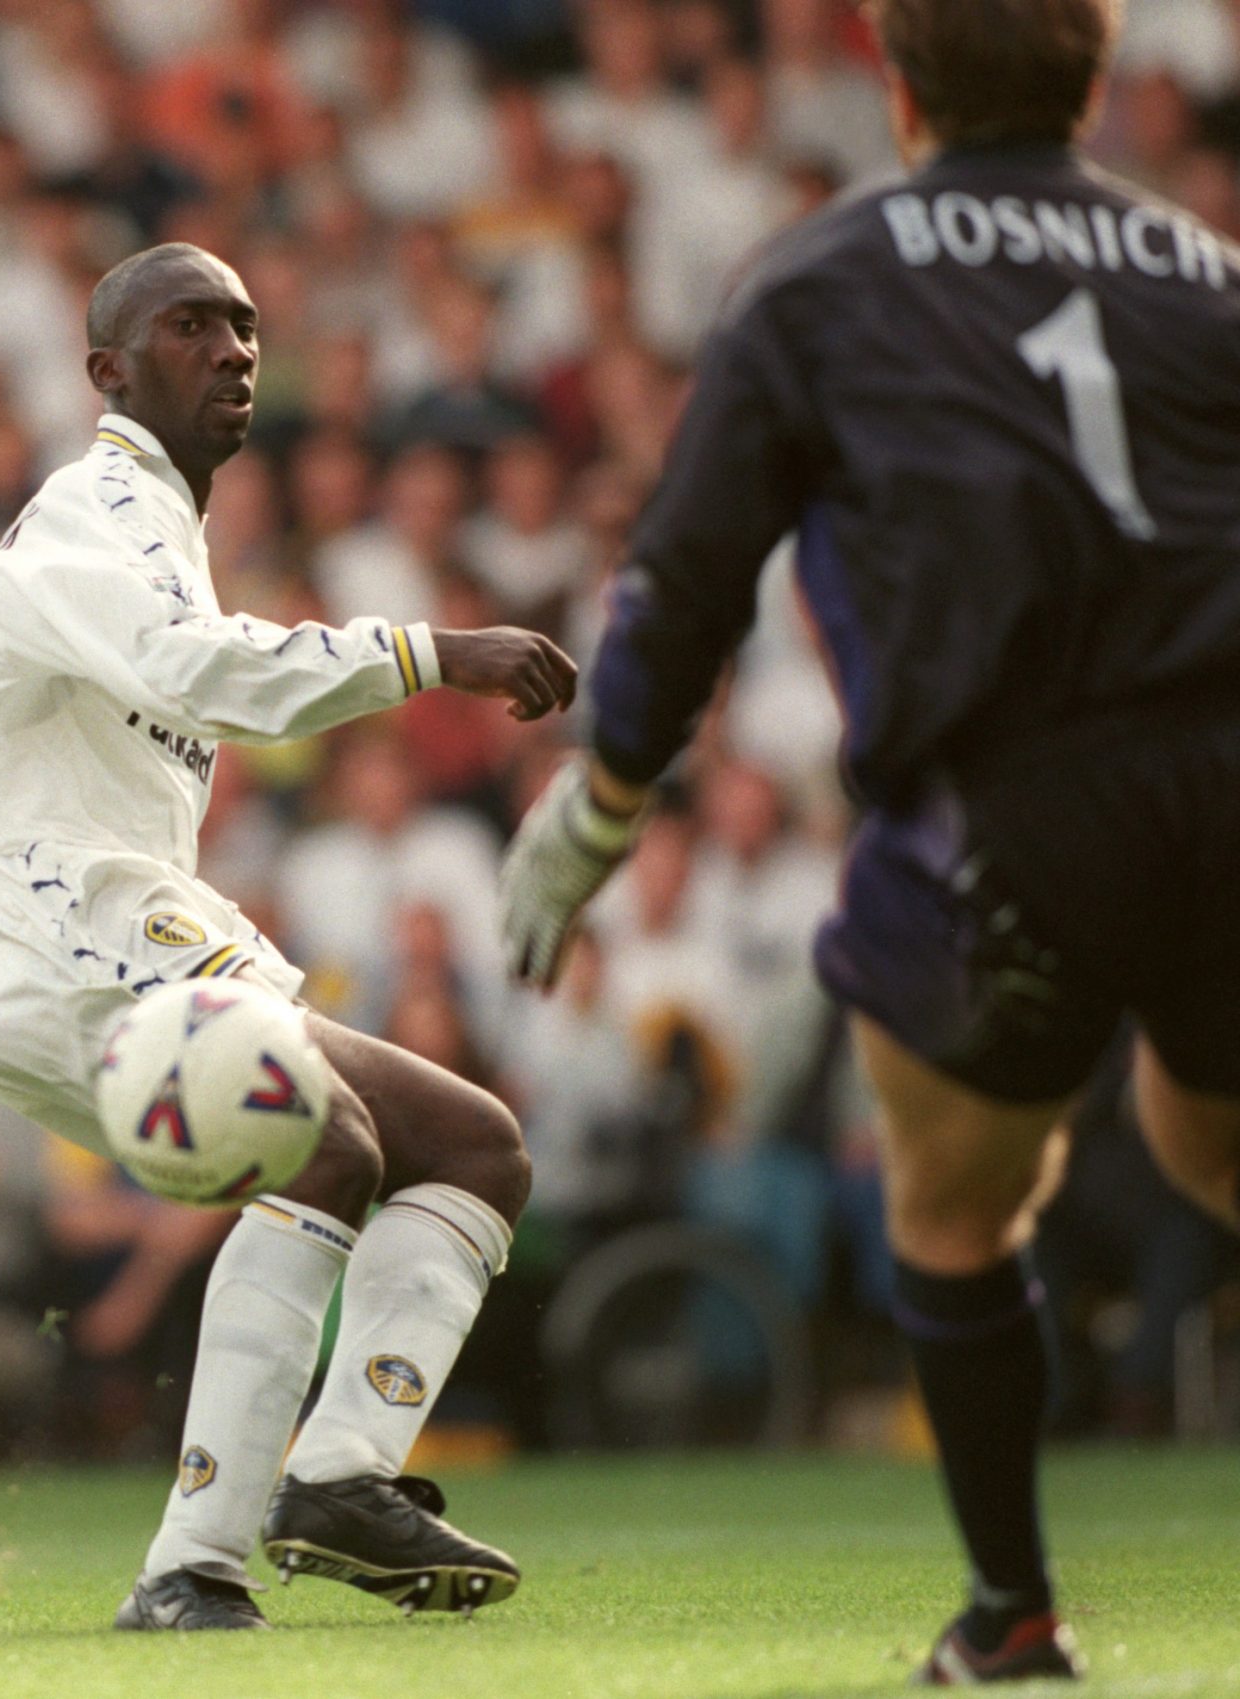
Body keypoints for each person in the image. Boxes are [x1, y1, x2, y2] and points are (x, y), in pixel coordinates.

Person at [498, 0, 1240, 1682]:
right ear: (1097, 84)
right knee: (1212, 1147)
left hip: (1014, 806)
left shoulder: (818, 280)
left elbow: (687, 581)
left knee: (959, 1193)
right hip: (1229, 778)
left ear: (894, 88)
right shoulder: (1208, 270)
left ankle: (1015, 1613)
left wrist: (597, 807)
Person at [0, 241, 578, 1631]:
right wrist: (435, 649)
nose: (232, 350)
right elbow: (200, 672)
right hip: (39, 909)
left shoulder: (161, 529)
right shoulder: (95, 509)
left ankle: (329, 1480)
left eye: (246, 327)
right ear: (110, 370)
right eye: (191, 326)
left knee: (472, 1146)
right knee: (325, 1134)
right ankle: (199, 1558)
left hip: (83, 916)